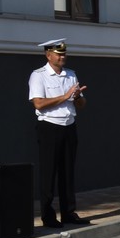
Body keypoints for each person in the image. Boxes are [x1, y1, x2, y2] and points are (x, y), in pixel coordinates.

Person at [28, 38, 87, 228]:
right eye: (59, 54)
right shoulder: (39, 76)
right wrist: (64, 96)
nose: (63, 57)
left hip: (69, 125)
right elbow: (38, 103)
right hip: (50, 127)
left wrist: (76, 97)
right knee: (49, 172)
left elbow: (82, 104)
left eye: (64, 54)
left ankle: (69, 213)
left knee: (67, 172)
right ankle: (48, 216)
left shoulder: (71, 75)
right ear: (48, 55)